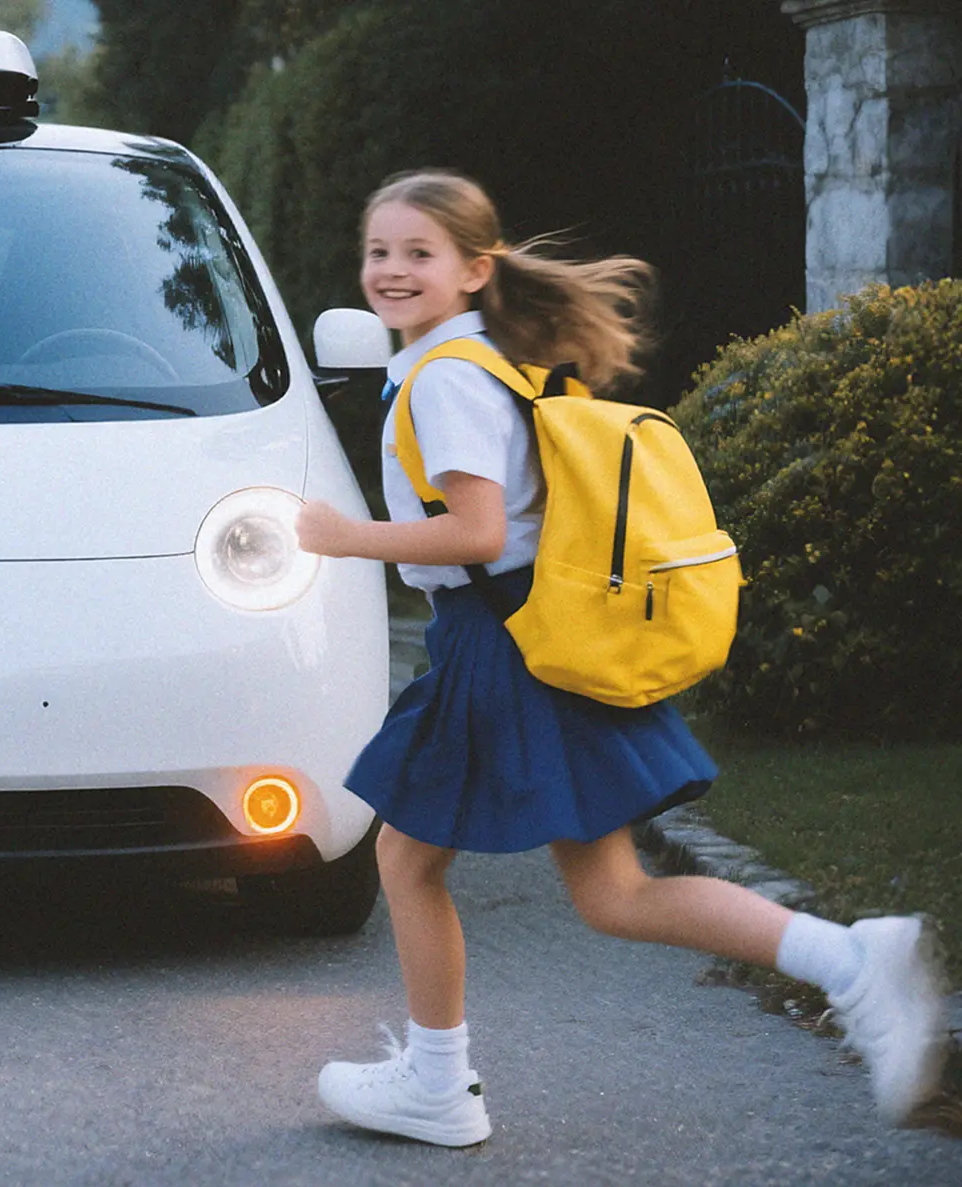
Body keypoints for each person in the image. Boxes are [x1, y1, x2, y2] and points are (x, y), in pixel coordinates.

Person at [293, 168, 950, 1148]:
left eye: (416, 253)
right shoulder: (474, 362)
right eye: (379, 250)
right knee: (608, 891)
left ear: (475, 269)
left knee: (413, 855)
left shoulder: (447, 381)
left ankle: (438, 1081)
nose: (391, 270)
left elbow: (475, 532)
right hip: (523, 636)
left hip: (501, 641)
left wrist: (346, 536)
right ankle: (851, 957)